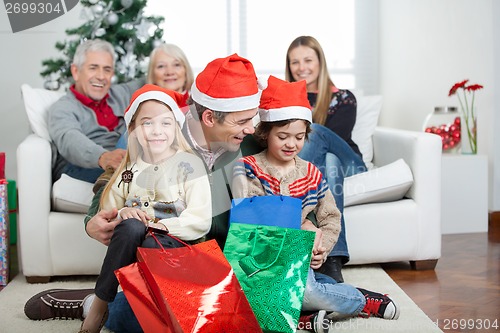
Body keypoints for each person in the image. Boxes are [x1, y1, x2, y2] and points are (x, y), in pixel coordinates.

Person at [24, 54, 262, 333]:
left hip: (219, 263)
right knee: (156, 316)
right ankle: (106, 303)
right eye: (242, 120)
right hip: (161, 257)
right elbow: (117, 175)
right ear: (209, 117)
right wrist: (92, 220)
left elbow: (290, 171)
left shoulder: (249, 144)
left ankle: (98, 300)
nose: (251, 127)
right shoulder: (159, 126)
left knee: (241, 316)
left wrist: (312, 222)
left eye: (253, 118)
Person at [232, 76, 399, 333]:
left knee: (307, 289)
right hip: (260, 256)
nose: (291, 144)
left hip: (298, 256)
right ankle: (346, 301)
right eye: (283, 136)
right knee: (243, 302)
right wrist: (304, 225)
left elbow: (331, 217)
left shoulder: (311, 173)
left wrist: (322, 248)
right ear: (265, 134)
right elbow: (256, 214)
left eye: (299, 137)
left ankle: (362, 303)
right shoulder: (247, 168)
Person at [286, 36, 368, 283]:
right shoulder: (287, 101)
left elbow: (331, 140)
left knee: (318, 134)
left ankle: (289, 206)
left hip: (351, 164)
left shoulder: (343, 98)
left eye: (308, 60)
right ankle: (332, 259)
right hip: (326, 169)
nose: (302, 67)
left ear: (320, 62)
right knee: (329, 162)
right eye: (295, 62)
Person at [48, 39, 143, 184]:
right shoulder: (63, 108)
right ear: (75, 71)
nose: (101, 76)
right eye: (93, 68)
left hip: (125, 162)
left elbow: (154, 78)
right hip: (83, 167)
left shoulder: (120, 93)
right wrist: (103, 157)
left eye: (107, 69)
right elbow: (70, 139)